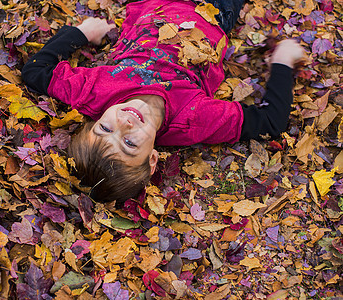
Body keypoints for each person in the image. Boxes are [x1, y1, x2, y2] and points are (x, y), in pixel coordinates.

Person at [21, 0, 305, 204]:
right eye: (130, 144)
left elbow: (34, 73)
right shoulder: (193, 119)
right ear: (152, 159)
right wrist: (283, 64)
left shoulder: (95, 92)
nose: (124, 123)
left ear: (94, 120)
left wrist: (82, 33)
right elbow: (271, 122)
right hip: (212, 9)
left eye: (105, 129)